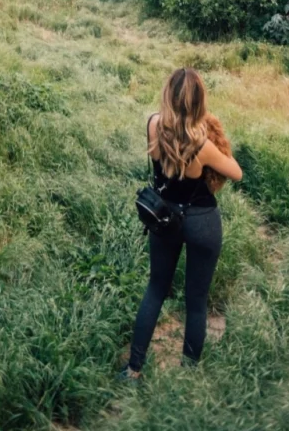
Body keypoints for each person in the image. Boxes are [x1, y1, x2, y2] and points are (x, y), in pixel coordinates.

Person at [122, 67, 243, 378]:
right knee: (196, 301)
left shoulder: (152, 125)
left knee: (155, 289)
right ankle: (188, 376)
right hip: (202, 222)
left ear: (167, 95)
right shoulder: (202, 146)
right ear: (199, 102)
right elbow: (236, 172)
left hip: (164, 218)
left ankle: (133, 369)